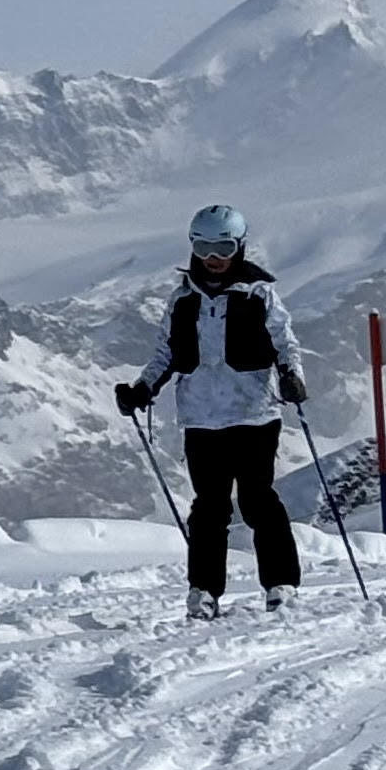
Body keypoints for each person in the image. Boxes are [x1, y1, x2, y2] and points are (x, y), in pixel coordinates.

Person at [115, 202, 309, 616]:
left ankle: (281, 583)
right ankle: (203, 591)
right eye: (203, 248)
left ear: (240, 246)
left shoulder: (259, 294)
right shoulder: (182, 299)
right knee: (209, 507)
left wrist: (292, 376)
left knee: (258, 501)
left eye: (223, 247)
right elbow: (165, 353)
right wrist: (142, 389)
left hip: (254, 413)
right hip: (201, 418)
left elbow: (285, 343)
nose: (213, 258)